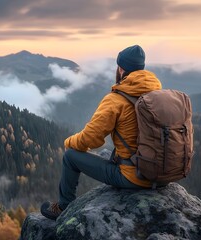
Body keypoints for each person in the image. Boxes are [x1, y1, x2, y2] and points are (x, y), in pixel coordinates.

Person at [40, 45, 162, 220]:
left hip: (134, 178)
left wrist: (68, 142)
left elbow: (90, 139)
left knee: (70, 156)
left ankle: (63, 207)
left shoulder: (116, 100)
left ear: (121, 68)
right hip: (160, 174)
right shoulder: (156, 93)